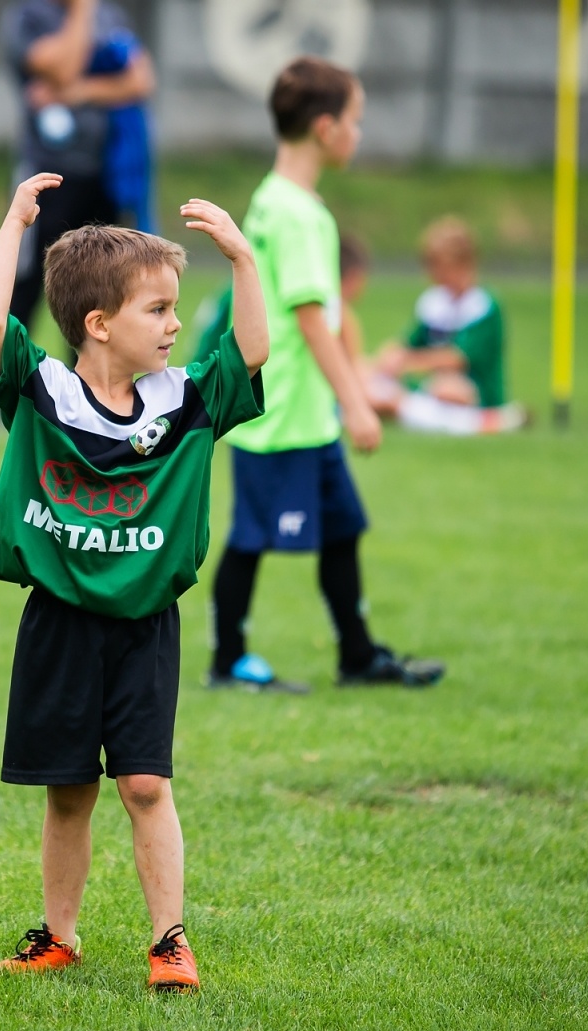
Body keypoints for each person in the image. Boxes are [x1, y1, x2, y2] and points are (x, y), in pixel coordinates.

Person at [0, 173, 266, 991]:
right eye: (158, 311)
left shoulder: (186, 402)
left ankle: (169, 942)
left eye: (175, 309)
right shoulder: (44, 392)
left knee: (144, 782)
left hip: (144, 625)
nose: (175, 326)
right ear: (98, 325)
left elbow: (251, 351)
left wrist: (242, 258)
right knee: (67, 791)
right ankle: (56, 937)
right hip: (59, 621)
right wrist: (14, 221)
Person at [205, 56, 444, 693]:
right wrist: (359, 402)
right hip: (282, 414)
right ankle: (228, 661)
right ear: (324, 128)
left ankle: (358, 657)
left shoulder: (274, 198)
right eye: (355, 121)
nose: (359, 134)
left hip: (306, 415)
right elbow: (314, 322)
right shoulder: (297, 215)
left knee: (343, 528)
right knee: (252, 538)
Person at [2, 0, 156, 332]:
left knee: (96, 286)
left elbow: (141, 81)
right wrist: (81, 10)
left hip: (105, 175)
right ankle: (9, 374)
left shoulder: (110, 14)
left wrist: (79, 91)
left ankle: (84, 381)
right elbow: (64, 68)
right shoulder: (30, 16)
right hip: (49, 176)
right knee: (28, 281)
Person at [359, 218, 527, 435]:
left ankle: (490, 420)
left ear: (465, 264)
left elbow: (457, 358)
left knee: (447, 389)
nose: (435, 274)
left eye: (440, 266)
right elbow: (410, 342)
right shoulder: (434, 302)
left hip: (475, 393)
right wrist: (389, 358)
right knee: (365, 373)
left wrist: (408, 362)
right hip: (432, 387)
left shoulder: (484, 305)